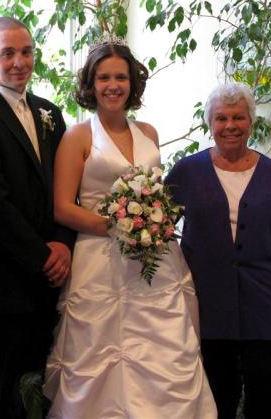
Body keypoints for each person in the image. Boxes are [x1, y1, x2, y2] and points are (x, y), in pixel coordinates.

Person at [42, 38, 217, 418]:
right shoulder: (78, 137)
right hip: (99, 262)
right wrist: (119, 227)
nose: (113, 85)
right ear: (90, 84)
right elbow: (61, 207)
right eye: (103, 77)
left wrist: (150, 225)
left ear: (132, 83)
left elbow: (156, 194)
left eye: (120, 77)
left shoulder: (149, 133)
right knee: (100, 361)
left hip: (154, 261)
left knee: (163, 354)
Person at [0, 17, 74, 419]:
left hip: (52, 273)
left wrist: (62, 244)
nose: (19, 61)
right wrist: (42, 255)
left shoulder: (49, 112)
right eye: (8, 53)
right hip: (6, 277)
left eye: (26, 52)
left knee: (40, 382)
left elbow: (66, 186)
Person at [165, 82, 271, 419]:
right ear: (210, 124)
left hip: (266, 308)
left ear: (251, 122)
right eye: (221, 118)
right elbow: (154, 225)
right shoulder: (187, 172)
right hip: (208, 308)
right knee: (216, 400)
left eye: (239, 117)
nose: (230, 125)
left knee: (267, 401)